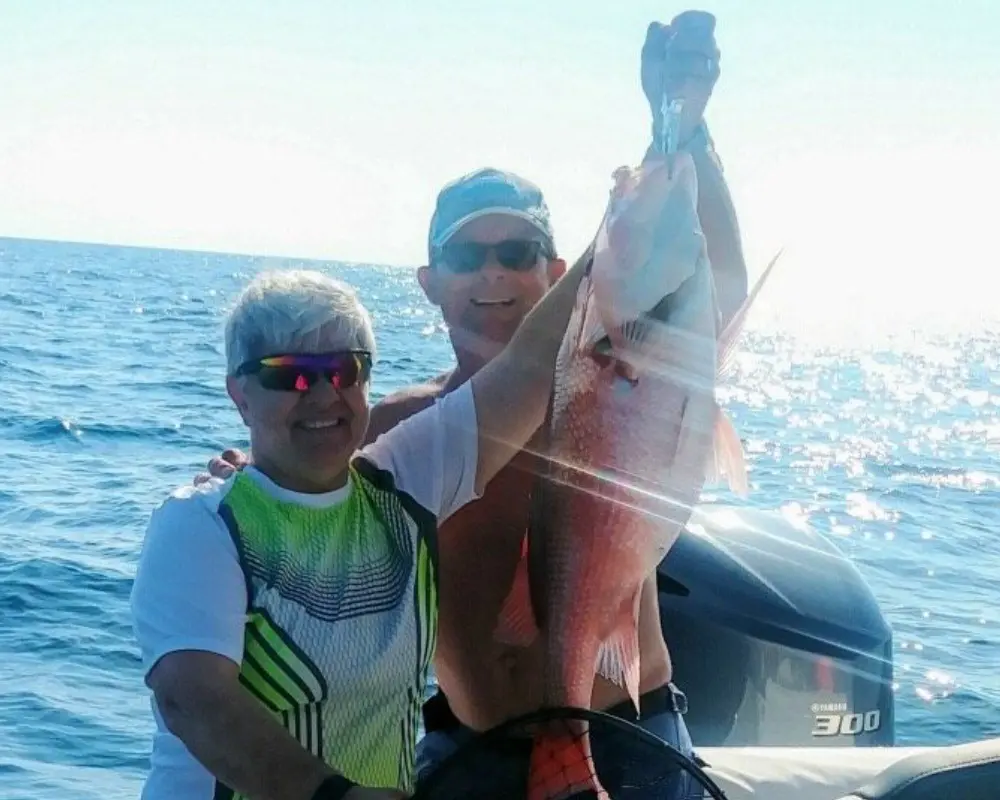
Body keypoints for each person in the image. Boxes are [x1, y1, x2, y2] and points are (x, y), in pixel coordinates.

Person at [199, 12, 749, 799]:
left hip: (631, 734)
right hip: (475, 749)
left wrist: (687, 123)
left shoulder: (620, 373)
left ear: (558, 271)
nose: (492, 275)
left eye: (517, 253)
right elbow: (298, 501)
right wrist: (241, 478)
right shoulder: (401, 431)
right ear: (429, 281)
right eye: (466, 256)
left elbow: (713, 280)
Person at [129, 259, 591, 799]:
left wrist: (624, 224)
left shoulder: (403, 484)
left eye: (345, 370)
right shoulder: (200, 524)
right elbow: (193, 698)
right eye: (290, 374)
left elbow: (531, 366)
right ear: (240, 394)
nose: (324, 394)